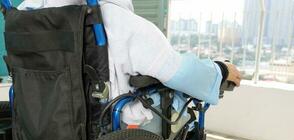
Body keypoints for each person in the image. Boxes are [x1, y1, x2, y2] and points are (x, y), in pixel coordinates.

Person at [18, 0, 241, 126]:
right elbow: (179, 71)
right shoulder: (113, 17)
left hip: (43, 124)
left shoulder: (26, 14)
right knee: (184, 115)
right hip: (105, 128)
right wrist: (220, 70)